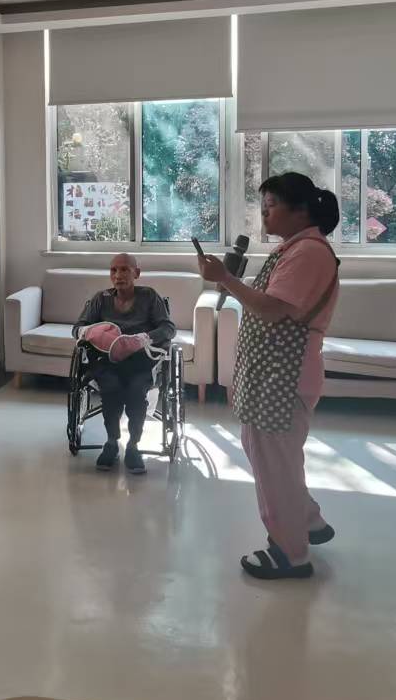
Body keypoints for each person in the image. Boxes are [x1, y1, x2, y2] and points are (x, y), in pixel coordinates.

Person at [198, 172, 341, 581]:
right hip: (273, 373)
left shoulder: (308, 253)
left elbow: (273, 309)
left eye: (271, 205)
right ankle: (308, 520)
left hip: (286, 375)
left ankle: (290, 554)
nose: (264, 213)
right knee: (271, 455)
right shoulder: (293, 248)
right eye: (263, 206)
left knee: (275, 465)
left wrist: (226, 279)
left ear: (301, 210)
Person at [73, 253, 176, 474]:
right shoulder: (101, 299)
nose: (118, 275)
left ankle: (133, 446)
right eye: (113, 270)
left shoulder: (149, 296)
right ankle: (112, 442)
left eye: (124, 270)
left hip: (140, 359)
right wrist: (91, 332)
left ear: (136, 273)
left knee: (136, 391)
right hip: (107, 359)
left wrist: (144, 338)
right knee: (111, 388)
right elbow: (77, 328)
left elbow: (168, 328)